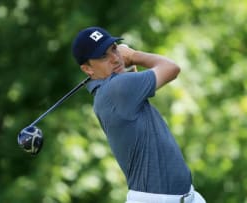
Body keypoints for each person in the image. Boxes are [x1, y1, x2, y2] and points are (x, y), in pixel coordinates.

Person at [72, 26, 206, 203]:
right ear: (87, 69)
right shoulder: (116, 88)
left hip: (188, 197)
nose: (114, 58)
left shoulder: (110, 91)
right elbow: (171, 68)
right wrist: (133, 55)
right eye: (103, 56)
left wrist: (125, 64)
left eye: (114, 49)